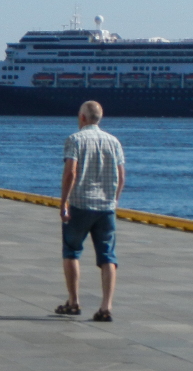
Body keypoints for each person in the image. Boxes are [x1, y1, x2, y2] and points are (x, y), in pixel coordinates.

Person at [57, 100, 125, 322]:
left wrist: (64, 203)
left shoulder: (75, 139)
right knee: (108, 256)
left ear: (83, 117)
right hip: (106, 208)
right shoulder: (114, 141)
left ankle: (74, 302)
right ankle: (106, 306)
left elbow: (70, 173)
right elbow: (121, 175)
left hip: (80, 204)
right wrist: (114, 200)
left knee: (71, 252)